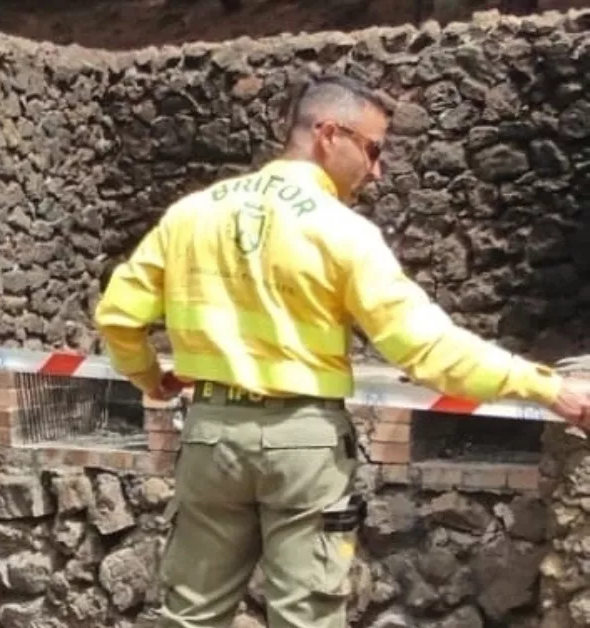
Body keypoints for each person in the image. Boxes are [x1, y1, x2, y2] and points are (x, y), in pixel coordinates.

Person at [93, 75, 590, 628]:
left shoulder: (191, 214)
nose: (376, 172)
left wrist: (148, 377)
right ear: (330, 134)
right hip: (305, 445)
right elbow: (427, 348)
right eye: (373, 149)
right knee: (307, 617)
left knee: (188, 616)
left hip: (210, 434)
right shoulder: (341, 231)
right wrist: (550, 388)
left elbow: (117, 317)